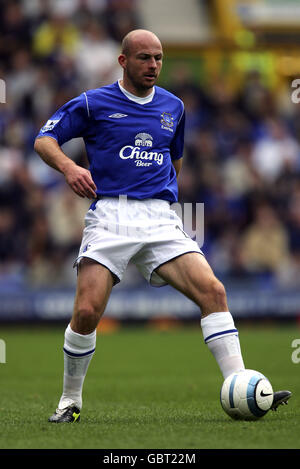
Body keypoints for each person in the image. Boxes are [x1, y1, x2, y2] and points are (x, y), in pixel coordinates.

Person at [34, 29, 291, 423]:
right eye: (144, 58)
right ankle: (70, 402)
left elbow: (176, 161)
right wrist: (70, 167)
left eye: (158, 58)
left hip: (159, 217)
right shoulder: (93, 102)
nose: (153, 65)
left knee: (213, 290)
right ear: (123, 61)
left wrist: (164, 197)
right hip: (112, 216)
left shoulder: (174, 106)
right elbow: (44, 139)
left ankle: (242, 386)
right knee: (86, 311)